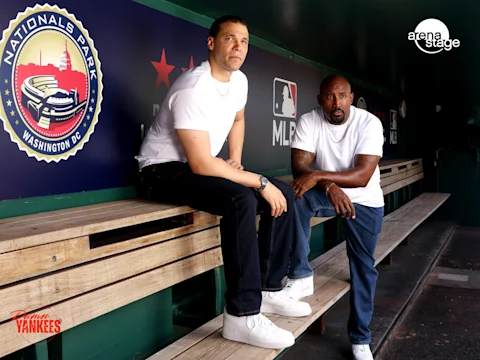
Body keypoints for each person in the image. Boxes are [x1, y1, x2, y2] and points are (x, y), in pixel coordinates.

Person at [135, 15, 311, 350]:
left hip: (195, 167)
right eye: (230, 38)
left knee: (285, 192)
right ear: (212, 43)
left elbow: (239, 118)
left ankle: (268, 291)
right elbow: (201, 163)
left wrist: (235, 160)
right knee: (241, 199)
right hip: (159, 172)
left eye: (244, 41)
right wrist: (257, 181)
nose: (238, 47)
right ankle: (241, 316)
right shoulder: (194, 87)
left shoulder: (239, 81)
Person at [286, 75, 384, 360]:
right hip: (327, 193)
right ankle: (301, 275)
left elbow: (363, 175)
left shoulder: (369, 123)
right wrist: (327, 185)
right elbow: (299, 168)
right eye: (330, 97)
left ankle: (360, 339)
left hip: (364, 202)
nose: (336, 103)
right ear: (320, 100)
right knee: (295, 196)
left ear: (351, 97)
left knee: (363, 268)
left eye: (342, 96)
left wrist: (318, 174)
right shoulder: (309, 120)